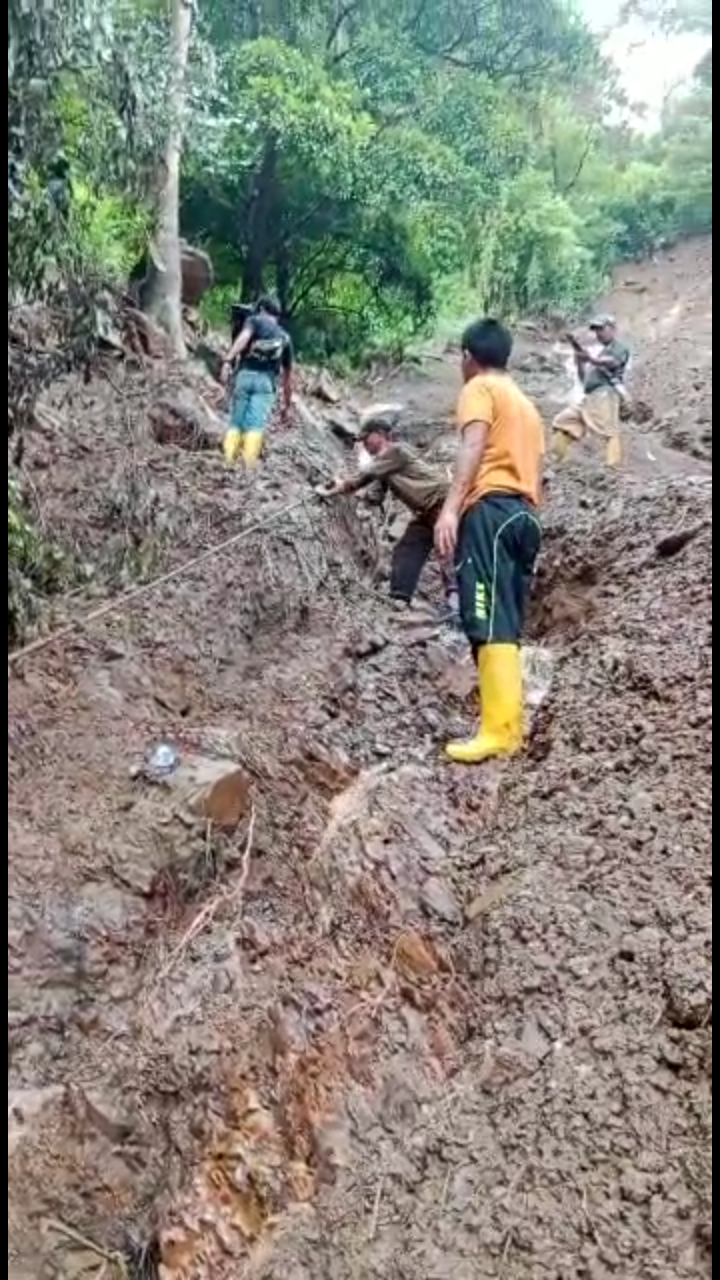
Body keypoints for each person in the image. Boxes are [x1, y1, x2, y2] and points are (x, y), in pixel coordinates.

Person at [434, 318, 544, 765]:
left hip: (491, 511)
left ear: (467, 357)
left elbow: (472, 445)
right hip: (524, 515)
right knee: (507, 617)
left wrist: (450, 508)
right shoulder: (527, 406)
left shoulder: (479, 389)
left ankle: (499, 732)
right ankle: (508, 725)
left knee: (485, 615)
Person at [320, 409, 459, 621]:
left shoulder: (396, 451)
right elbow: (375, 494)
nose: (364, 444)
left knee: (446, 550)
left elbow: (366, 475)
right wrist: (356, 496)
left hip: (442, 503)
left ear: (379, 434)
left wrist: (343, 485)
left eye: (366, 438)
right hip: (425, 511)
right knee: (408, 547)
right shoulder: (385, 466)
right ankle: (399, 598)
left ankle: (457, 605)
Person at [219, 295, 294, 467]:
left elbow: (243, 338)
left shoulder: (253, 321)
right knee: (255, 423)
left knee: (236, 419)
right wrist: (286, 405)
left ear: (261, 309)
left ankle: (228, 459)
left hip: (244, 376)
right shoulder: (285, 337)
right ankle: (247, 464)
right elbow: (288, 376)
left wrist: (227, 360)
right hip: (265, 383)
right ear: (277, 316)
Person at [551, 314, 630, 467]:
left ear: (613, 329)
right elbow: (584, 379)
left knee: (609, 430)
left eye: (602, 328)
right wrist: (579, 360)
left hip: (605, 394)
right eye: (596, 330)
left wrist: (590, 359)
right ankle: (556, 459)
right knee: (565, 421)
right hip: (590, 396)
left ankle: (613, 467)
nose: (598, 333)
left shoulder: (619, 348)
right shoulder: (602, 353)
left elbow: (611, 362)